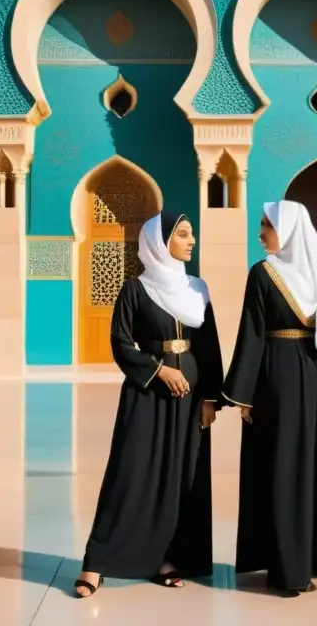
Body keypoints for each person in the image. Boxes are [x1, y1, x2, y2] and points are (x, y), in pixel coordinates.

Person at [75, 210, 224, 598]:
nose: (192, 242)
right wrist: (159, 371)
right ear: (161, 242)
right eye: (184, 235)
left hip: (191, 396)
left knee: (181, 476)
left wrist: (209, 398)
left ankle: (165, 556)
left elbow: (209, 346)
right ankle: (97, 561)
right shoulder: (135, 289)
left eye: (192, 235)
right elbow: (121, 343)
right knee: (130, 472)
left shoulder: (197, 288)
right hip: (147, 393)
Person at [222, 200, 317, 596]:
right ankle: (291, 566)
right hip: (307, 380)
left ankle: (293, 565)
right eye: (261, 225)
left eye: (267, 226)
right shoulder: (301, 274)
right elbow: (255, 333)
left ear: (290, 230)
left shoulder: (288, 275)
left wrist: (243, 392)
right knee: (288, 467)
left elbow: (254, 336)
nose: (261, 233)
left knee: (291, 468)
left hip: (283, 375)